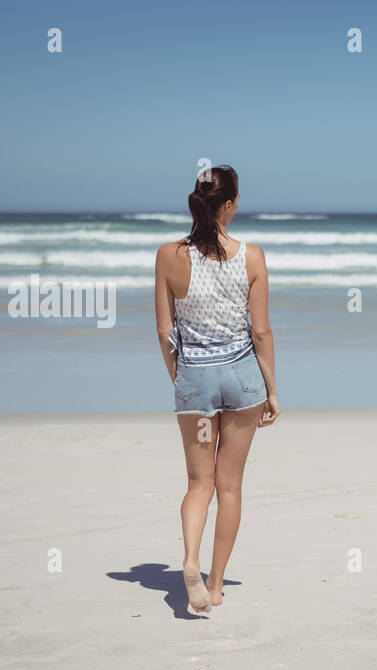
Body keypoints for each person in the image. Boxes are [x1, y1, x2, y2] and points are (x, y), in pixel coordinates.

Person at [154, 165, 279, 612]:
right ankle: (217, 583)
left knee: (197, 483)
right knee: (230, 486)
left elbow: (165, 331)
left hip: (195, 379)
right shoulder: (252, 256)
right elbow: (261, 332)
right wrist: (273, 391)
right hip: (242, 380)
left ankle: (189, 560)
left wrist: (183, 378)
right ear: (230, 205)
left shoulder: (169, 255)